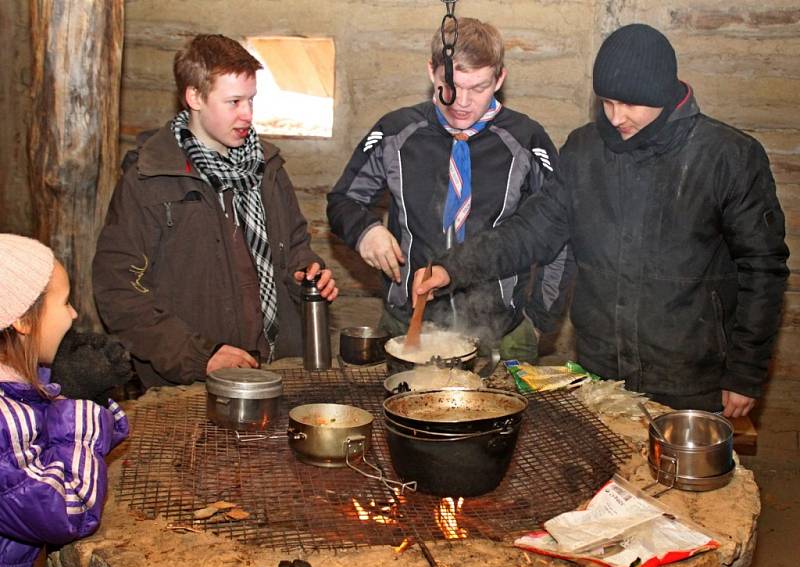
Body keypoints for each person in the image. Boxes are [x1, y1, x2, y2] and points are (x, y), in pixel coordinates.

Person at [414, 24, 789, 417]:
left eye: (629, 104)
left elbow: (763, 269)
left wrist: (745, 371)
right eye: (607, 102)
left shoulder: (727, 157)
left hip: (691, 377)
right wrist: (451, 267)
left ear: (664, 93)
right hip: (602, 374)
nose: (616, 117)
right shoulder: (585, 150)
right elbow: (531, 230)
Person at [94, 34, 338, 387]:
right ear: (194, 96)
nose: (248, 115)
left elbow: (295, 244)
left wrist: (307, 274)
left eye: (251, 100)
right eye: (234, 101)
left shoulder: (266, 167)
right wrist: (199, 355)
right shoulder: (148, 180)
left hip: (274, 367)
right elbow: (119, 292)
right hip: (190, 383)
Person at [327, 18, 573, 360]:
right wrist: (364, 231)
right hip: (408, 325)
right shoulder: (396, 133)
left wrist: (538, 319)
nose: (462, 102)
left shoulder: (527, 141)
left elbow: (557, 236)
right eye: (451, 85)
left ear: (499, 79)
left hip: (501, 332)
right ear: (432, 71)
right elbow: (344, 200)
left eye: (479, 88)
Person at [0, 234, 129, 567]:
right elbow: (68, 511)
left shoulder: (15, 387)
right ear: (23, 321)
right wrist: (78, 399)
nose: (73, 314)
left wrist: (71, 388)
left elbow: (63, 444)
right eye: (65, 302)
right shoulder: (4, 419)